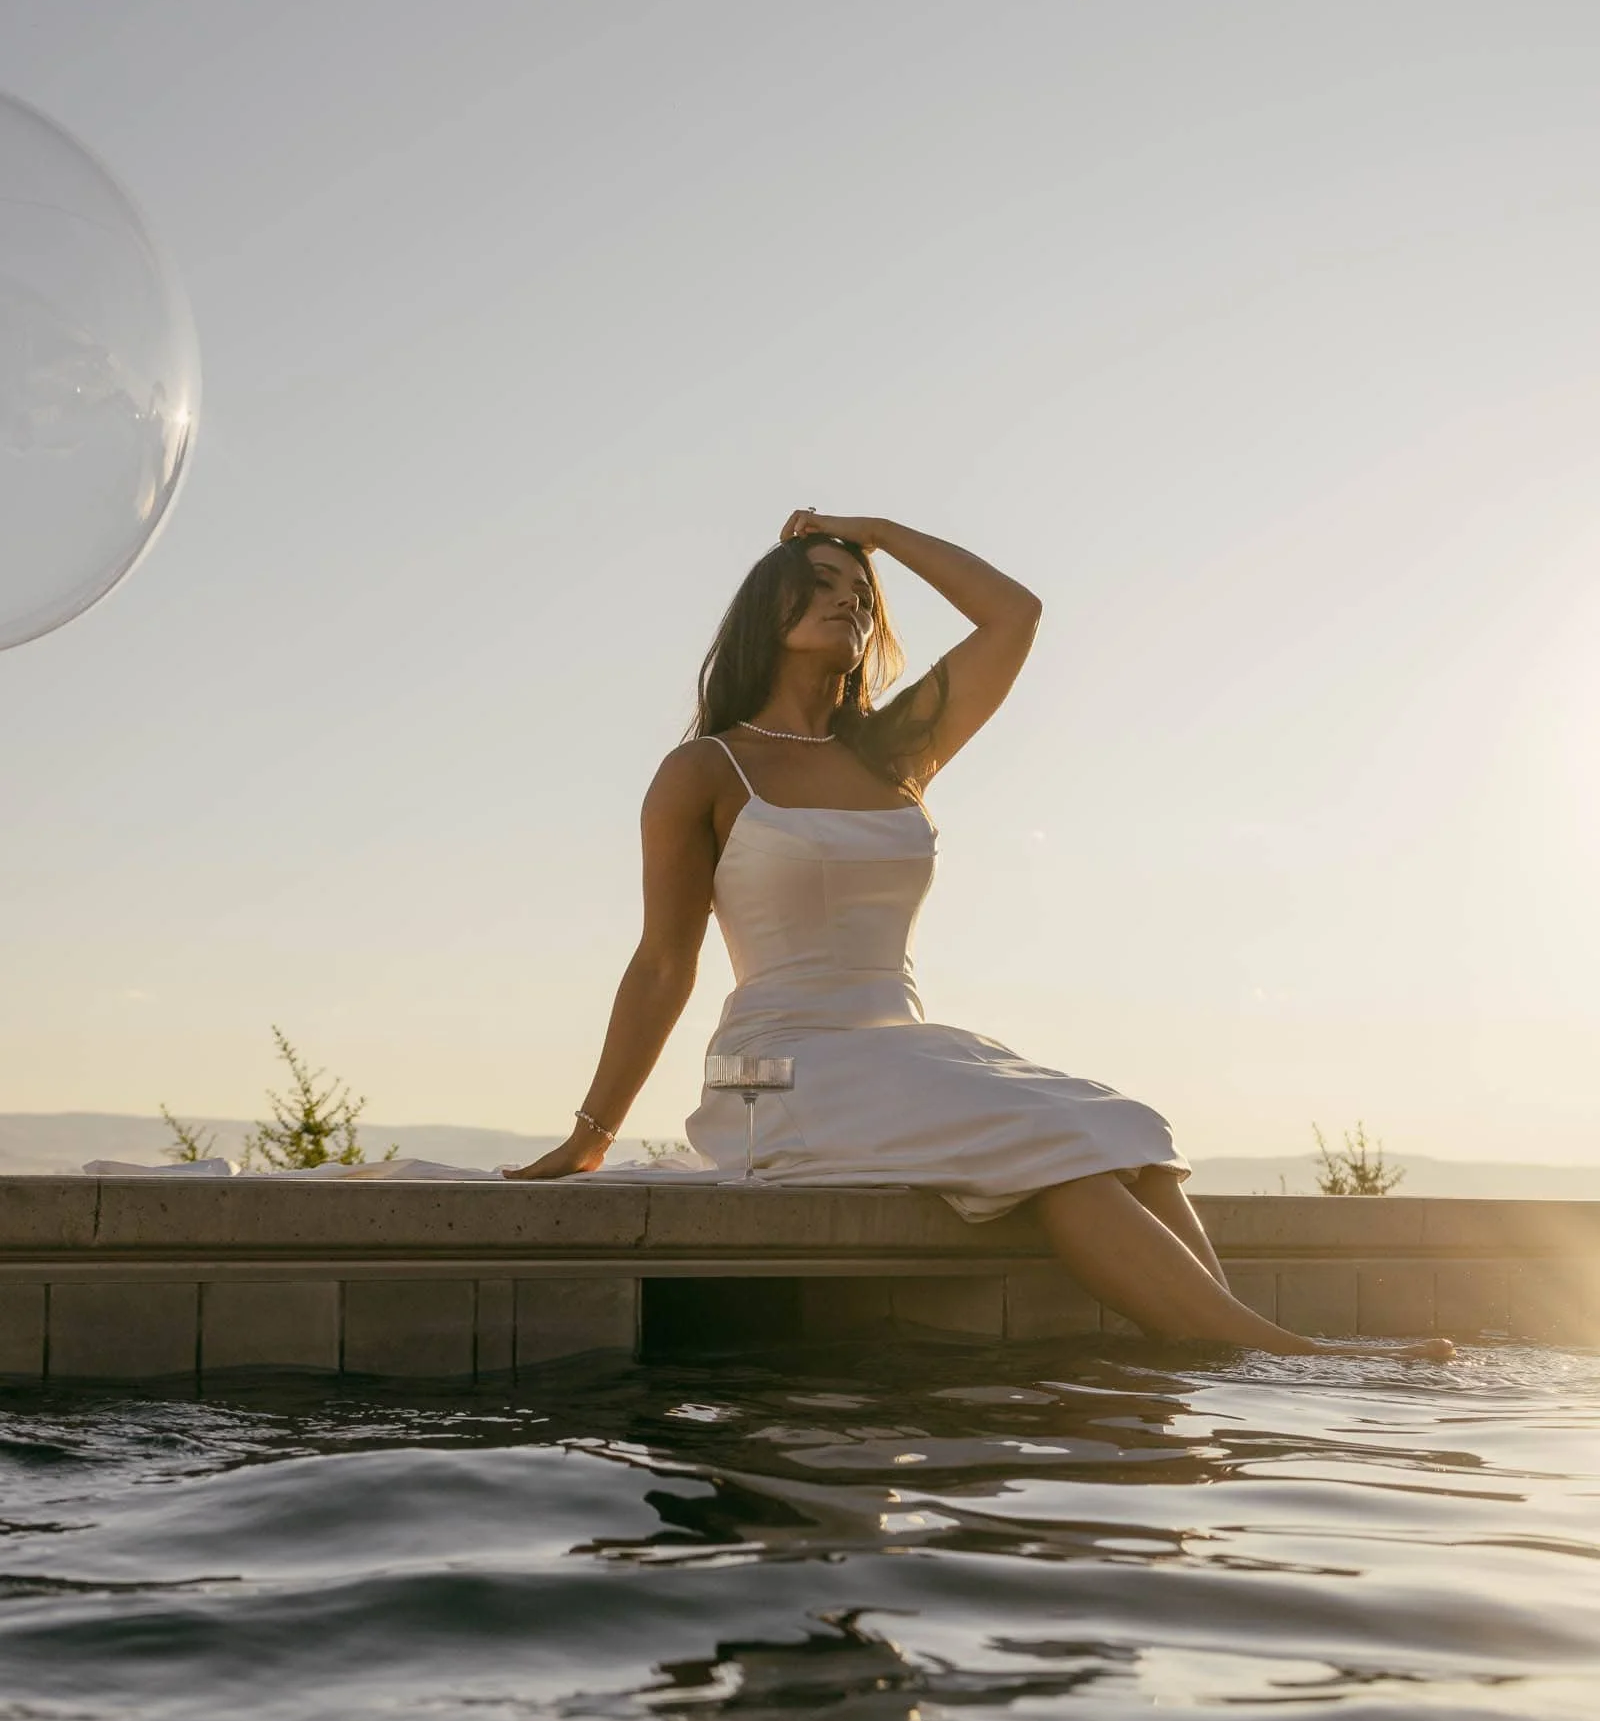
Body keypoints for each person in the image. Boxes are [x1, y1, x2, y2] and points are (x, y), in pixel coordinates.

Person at [505, 511, 1450, 1362]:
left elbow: (1014, 613)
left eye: (858, 592)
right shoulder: (705, 769)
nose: (847, 601)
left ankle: (1238, 1341)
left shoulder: (893, 749)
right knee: (1047, 1140)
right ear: (769, 608)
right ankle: (1287, 1356)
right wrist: (592, 1134)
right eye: (822, 584)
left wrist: (874, 530)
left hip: (904, 1051)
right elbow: (662, 962)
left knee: (1131, 1129)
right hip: (781, 1068)